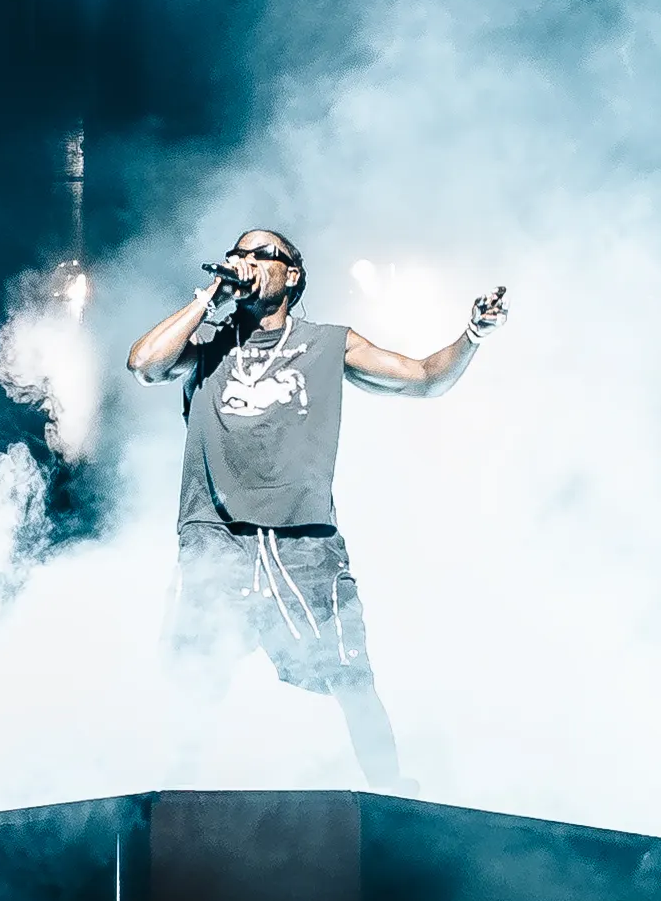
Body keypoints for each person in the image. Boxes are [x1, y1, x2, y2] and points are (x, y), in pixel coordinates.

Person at [125, 227, 507, 792]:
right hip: (215, 533)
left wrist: (472, 335)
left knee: (350, 674)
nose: (245, 261)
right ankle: (168, 807)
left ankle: (391, 795)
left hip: (302, 537)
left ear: (292, 274)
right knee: (196, 676)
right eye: (238, 253)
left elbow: (425, 378)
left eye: (261, 254)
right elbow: (143, 364)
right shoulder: (206, 347)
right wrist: (210, 297)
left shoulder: (329, 343)